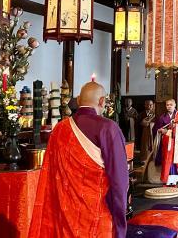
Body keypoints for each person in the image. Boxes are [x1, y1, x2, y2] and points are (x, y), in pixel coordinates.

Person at [29, 82, 129, 238]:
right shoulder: (108, 128)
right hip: (97, 217)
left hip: (65, 215)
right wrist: (120, 219)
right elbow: (119, 181)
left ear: (78, 100)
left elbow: (50, 179)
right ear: (102, 101)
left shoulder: (60, 129)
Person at [153, 99, 178, 186]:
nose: (169, 106)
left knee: (174, 162)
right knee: (167, 161)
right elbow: (155, 129)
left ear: (175, 105)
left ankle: (174, 182)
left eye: (171, 105)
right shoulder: (162, 117)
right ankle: (166, 181)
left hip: (177, 143)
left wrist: (174, 128)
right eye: (167, 105)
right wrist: (160, 130)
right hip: (166, 143)